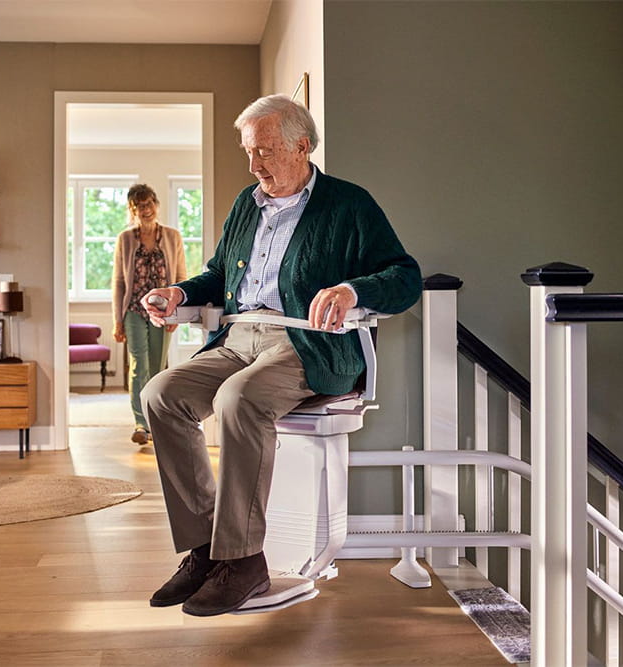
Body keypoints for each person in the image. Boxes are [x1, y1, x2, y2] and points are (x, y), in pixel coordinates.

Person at [140, 94, 422, 617]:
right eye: (249, 151)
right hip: (238, 337)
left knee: (239, 398)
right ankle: (206, 551)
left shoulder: (348, 204)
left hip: (307, 343)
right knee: (160, 394)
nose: (254, 165)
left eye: (265, 151)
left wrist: (351, 291)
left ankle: (243, 560)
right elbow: (219, 276)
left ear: (302, 146)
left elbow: (405, 277)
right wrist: (179, 293)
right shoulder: (246, 205)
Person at [111, 184, 187, 445]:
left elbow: (181, 277)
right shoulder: (125, 239)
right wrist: (117, 320)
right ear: (132, 210)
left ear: (156, 204)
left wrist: (177, 313)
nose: (146, 210)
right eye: (139, 206)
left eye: (149, 203)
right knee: (138, 365)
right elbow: (118, 282)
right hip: (133, 310)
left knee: (157, 367)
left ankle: (155, 420)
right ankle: (140, 424)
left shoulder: (172, 237)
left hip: (163, 311)